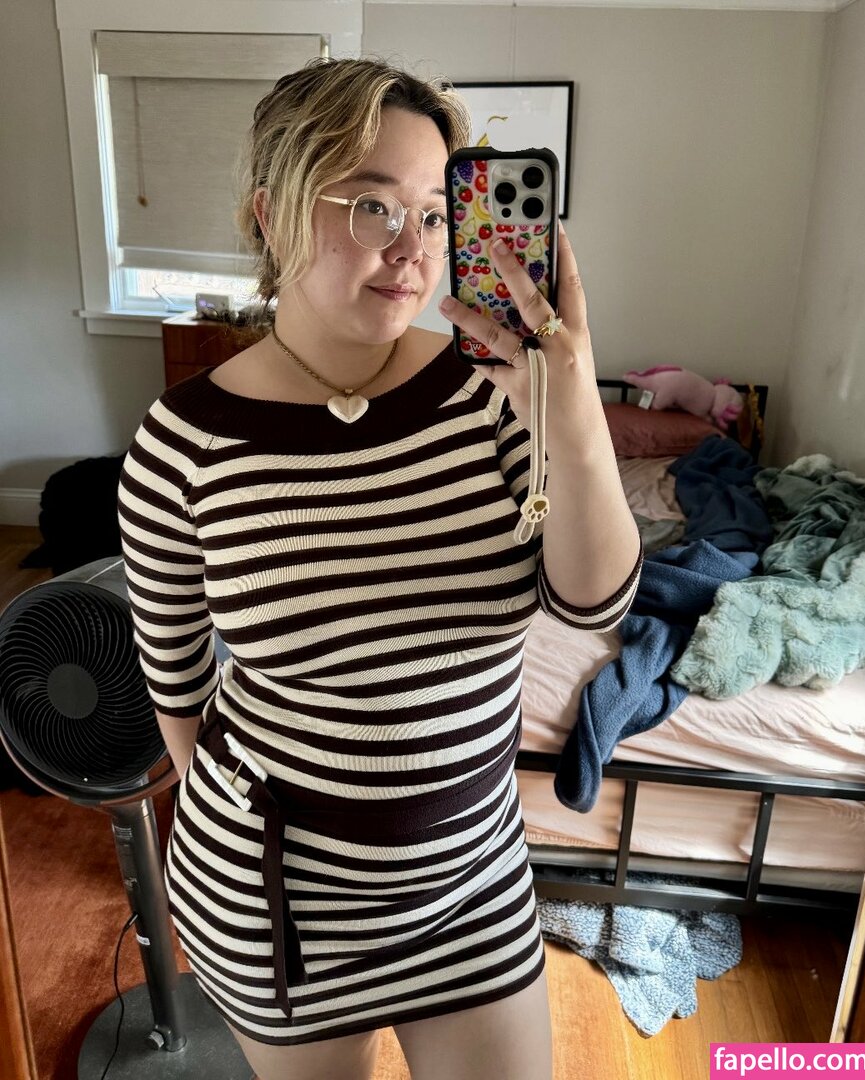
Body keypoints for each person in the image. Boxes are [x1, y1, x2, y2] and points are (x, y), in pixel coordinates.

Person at [117, 57, 642, 1080]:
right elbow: (176, 688)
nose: (414, 250)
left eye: (434, 214)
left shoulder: (492, 392)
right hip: (278, 905)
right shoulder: (181, 445)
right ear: (271, 214)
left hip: (471, 886)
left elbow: (594, 604)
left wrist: (571, 403)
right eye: (371, 207)